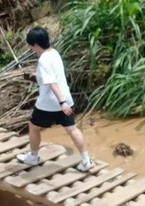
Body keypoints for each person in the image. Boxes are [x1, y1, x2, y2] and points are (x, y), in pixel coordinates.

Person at [17, 27, 94, 172]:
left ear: (36, 45)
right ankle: (86, 160)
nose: (32, 49)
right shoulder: (54, 53)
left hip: (50, 103)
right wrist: (37, 76)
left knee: (33, 127)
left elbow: (52, 82)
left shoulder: (43, 60)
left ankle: (33, 157)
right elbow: (51, 75)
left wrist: (61, 102)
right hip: (66, 98)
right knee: (72, 129)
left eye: (31, 46)